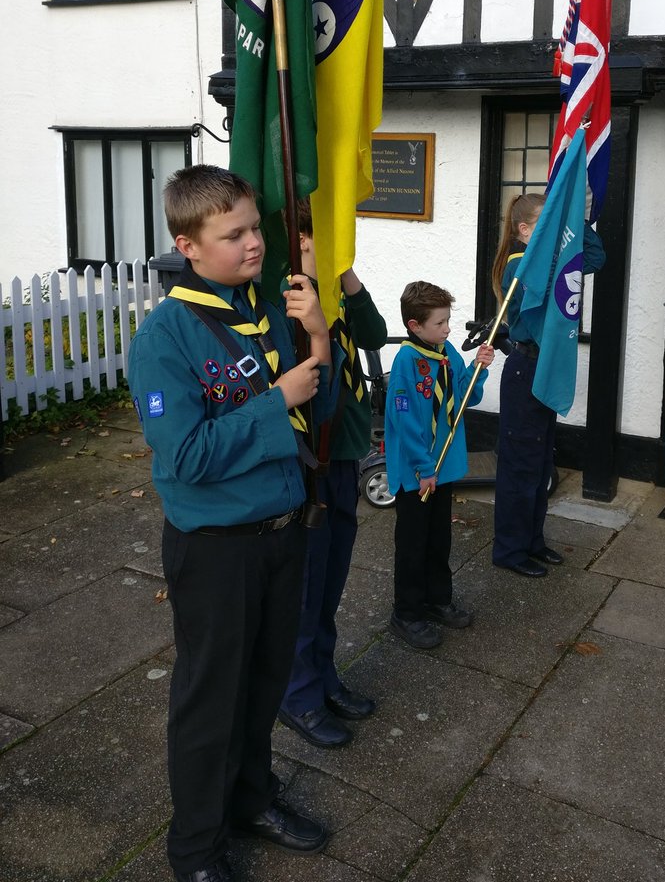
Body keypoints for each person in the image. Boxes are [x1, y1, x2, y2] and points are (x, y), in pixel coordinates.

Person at [127, 165, 337, 882]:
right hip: (216, 550)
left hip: (282, 535)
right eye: (235, 234)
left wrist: (318, 340)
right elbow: (183, 457)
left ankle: (250, 799)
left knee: (264, 685)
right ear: (188, 244)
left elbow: (320, 407)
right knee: (209, 702)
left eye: (254, 227)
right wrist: (274, 401)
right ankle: (195, 850)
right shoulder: (167, 336)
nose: (256, 244)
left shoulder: (266, 306)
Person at [279, 199, 388, 749]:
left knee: (332, 583)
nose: (334, 248)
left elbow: (373, 332)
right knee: (305, 583)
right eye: (323, 239)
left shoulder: (334, 298)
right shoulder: (290, 303)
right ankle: (296, 694)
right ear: (298, 243)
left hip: (344, 454)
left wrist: (343, 271)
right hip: (309, 463)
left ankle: (323, 676)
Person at [490, 194, 606, 578]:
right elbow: (551, 280)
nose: (557, 230)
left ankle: (532, 542)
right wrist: (567, 232)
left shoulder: (543, 259)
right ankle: (509, 550)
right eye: (548, 222)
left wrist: (583, 218)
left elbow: (593, 259)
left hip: (544, 367)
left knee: (540, 465)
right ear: (524, 231)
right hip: (525, 369)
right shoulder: (519, 264)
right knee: (519, 466)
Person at [385, 280, 495, 650]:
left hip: (443, 465)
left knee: (438, 538)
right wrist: (423, 466)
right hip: (419, 472)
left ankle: (437, 599)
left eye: (448, 321)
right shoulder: (406, 363)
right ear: (415, 326)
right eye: (440, 323)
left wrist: (478, 368)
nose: (448, 329)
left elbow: (464, 397)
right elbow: (408, 421)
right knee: (413, 543)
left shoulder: (446, 351)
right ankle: (407, 612)